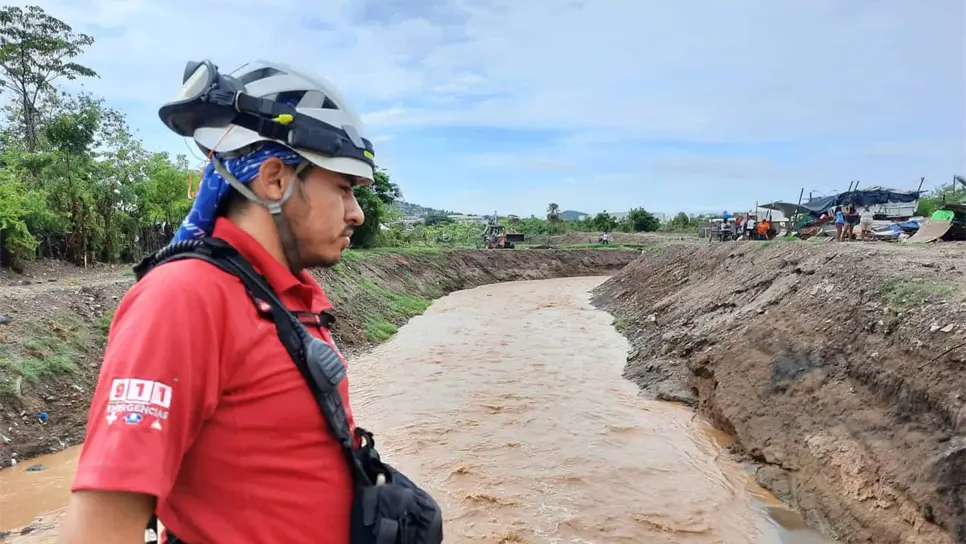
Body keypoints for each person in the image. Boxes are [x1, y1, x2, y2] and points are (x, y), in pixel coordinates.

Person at [58, 60, 439, 544]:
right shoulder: (186, 298)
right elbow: (100, 524)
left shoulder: (283, 298)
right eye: (343, 188)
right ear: (276, 179)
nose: (357, 213)